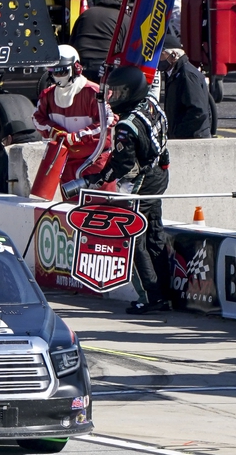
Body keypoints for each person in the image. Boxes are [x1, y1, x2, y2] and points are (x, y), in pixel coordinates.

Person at [85, 65, 171, 315]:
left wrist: (99, 178)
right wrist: (163, 165)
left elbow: (121, 165)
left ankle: (152, 297)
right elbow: (164, 146)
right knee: (155, 234)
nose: (114, 97)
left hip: (142, 182)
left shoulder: (126, 125)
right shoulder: (154, 105)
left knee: (135, 239)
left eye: (120, 92)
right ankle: (164, 294)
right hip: (160, 175)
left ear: (132, 91)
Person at [33, 45, 115, 186]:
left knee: (100, 205)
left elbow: (109, 120)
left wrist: (77, 136)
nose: (57, 76)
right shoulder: (48, 95)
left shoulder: (94, 92)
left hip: (95, 160)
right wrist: (55, 131)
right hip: (66, 161)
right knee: (69, 207)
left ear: (76, 69)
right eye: (53, 71)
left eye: (61, 71)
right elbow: (37, 118)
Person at [160, 33, 212, 139]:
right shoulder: (174, 73)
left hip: (192, 139)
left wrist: (178, 132)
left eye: (160, 54)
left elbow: (198, 111)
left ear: (173, 55)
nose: (157, 59)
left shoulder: (187, 75)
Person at [70, 0, 121, 83]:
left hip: (81, 65)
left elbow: (71, 43)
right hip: (105, 69)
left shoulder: (87, 13)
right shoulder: (124, 19)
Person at [0, 119, 41, 194]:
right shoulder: (41, 148)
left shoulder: (5, 154)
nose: (4, 145)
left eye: (4, 141)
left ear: (9, 138)